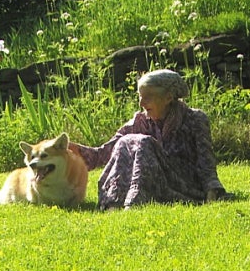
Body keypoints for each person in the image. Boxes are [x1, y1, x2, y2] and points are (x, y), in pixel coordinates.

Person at [69, 69, 230, 210]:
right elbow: (106, 152)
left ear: (168, 98)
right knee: (126, 141)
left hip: (183, 185)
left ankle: (135, 202)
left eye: (148, 97)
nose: (141, 103)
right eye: (140, 97)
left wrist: (211, 191)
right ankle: (113, 203)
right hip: (154, 183)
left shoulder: (195, 119)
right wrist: (75, 152)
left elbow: (206, 161)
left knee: (143, 143)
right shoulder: (140, 121)